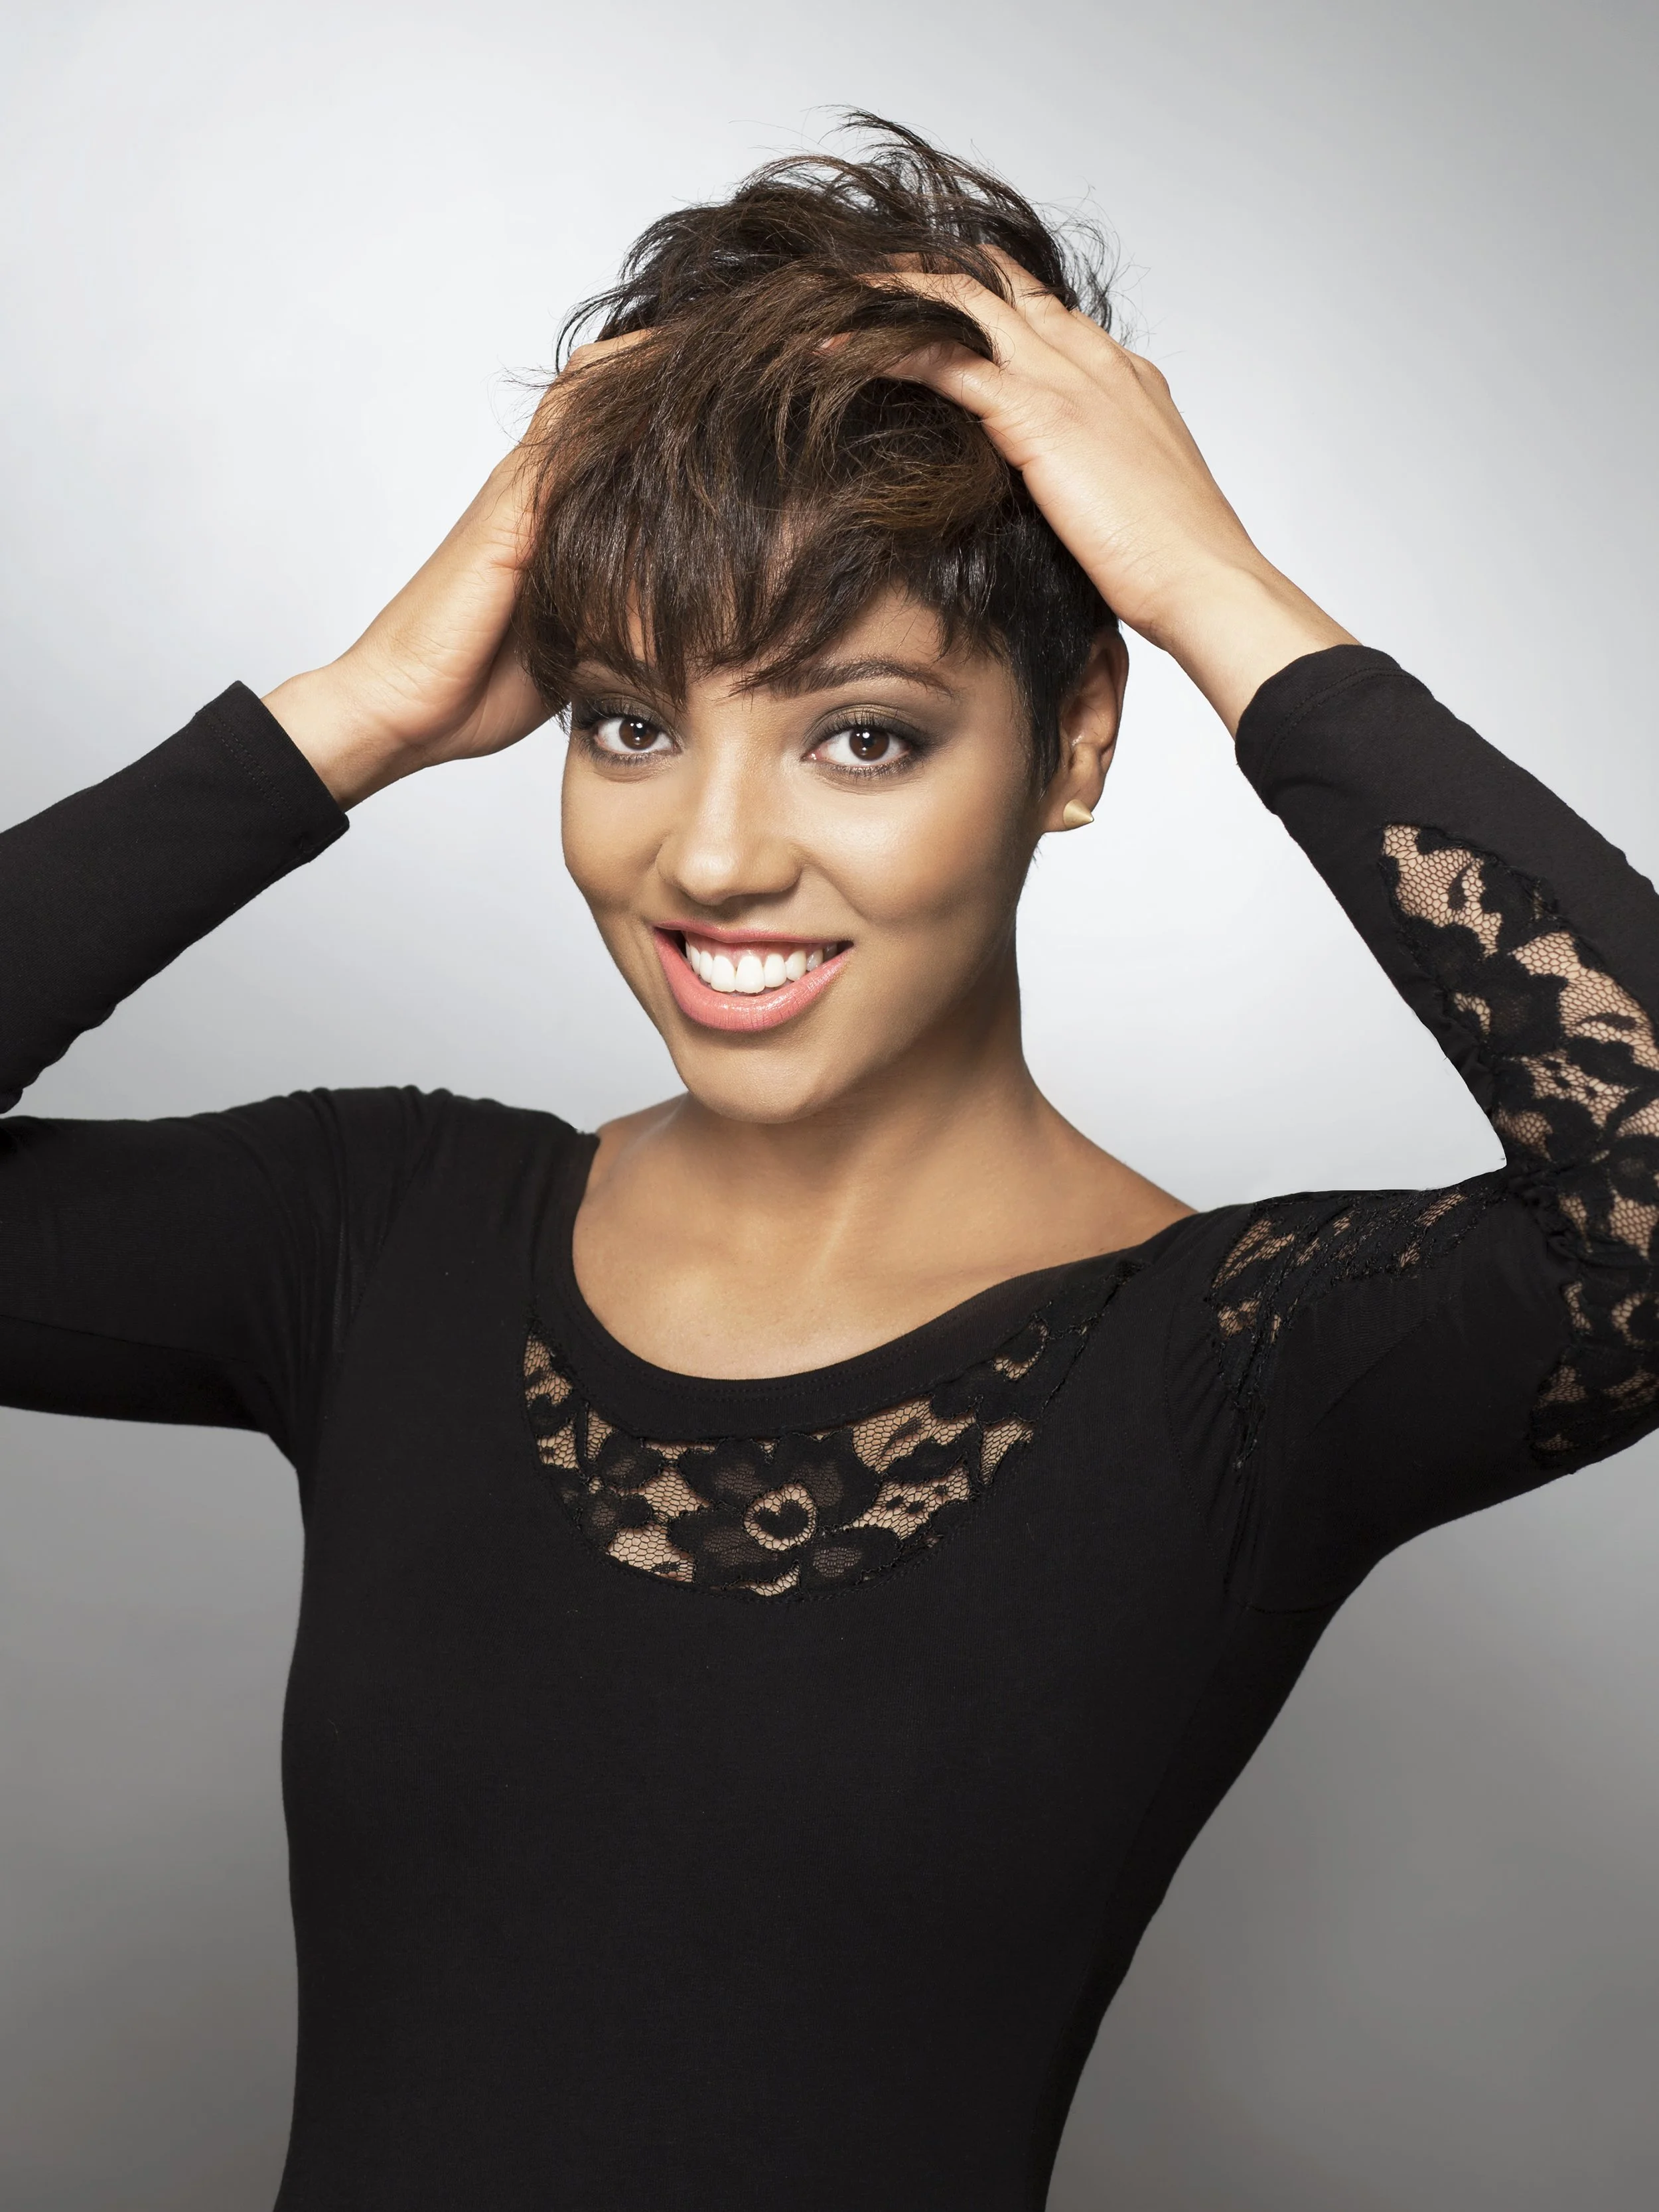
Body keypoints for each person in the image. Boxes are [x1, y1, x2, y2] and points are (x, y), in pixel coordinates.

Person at [2, 114, 1653, 2211]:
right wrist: (360, 707)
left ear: (1069, 743)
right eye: (626, 720)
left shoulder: (1235, 1370)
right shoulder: (380, 1234)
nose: (708, 854)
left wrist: (1212, 595)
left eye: (859, 731)